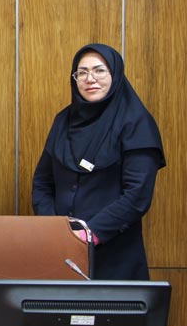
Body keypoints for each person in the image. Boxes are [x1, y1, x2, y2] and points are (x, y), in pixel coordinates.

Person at [32, 43, 165, 280]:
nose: (90, 79)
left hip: (115, 254)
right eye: (82, 72)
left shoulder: (136, 122)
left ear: (115, 74)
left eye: (99, 70)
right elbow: (42, 182)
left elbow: (137, 194)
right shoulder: (63, 120)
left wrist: (88, 235)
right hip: (61, 252)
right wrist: (54, 230)